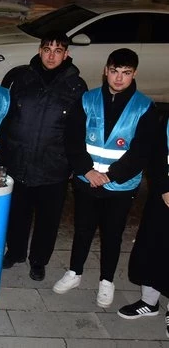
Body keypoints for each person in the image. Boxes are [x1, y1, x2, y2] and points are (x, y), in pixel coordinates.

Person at [54, 48, 157, 308]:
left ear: (134, 74)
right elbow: (72, 138)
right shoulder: (87, 100)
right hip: (87, 180)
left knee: (112, 233)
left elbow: (142, 151)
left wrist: (110, 176)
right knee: (83, 228)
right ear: (105, 71)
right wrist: (87, 171)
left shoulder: (144, 107)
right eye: (114, 71)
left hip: (120, 185)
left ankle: (106, 281)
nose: (119, 78)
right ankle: (74, 272)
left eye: (126, 73)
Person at [0, 32, 88, 281]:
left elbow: (80, 129)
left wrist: (73, 163)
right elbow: (5, 119)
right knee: (17, 213)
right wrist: (4, 154)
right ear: (39, 50)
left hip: (53, 164)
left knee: (48, 219)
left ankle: (39, 261)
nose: (51, 55)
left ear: (66, 54)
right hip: (19, 159)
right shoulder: (20, 78)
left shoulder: (76, 86)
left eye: (58, 50)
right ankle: (15, 252)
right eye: (47, 49)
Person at [117, 117, 169, 330]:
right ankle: (149, 302)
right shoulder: (165, 121)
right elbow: (156, 155)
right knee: (152, 246)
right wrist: (164, 188)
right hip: (163, 196)